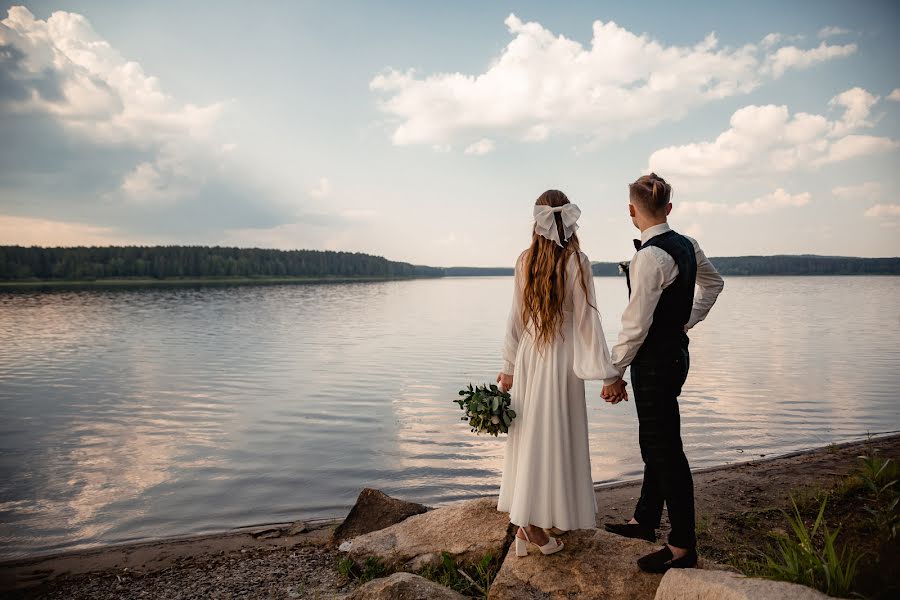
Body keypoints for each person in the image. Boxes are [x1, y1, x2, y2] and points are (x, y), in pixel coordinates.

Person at [601, 173, 724, 573]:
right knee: (657, 442)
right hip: (676, 357)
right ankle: (645, 520)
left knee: (665, 450)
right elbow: (714, 284)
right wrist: (686, 322)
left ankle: (683, 546)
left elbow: (634, 326)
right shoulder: (687, 244)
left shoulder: (649, 258)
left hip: (654, 363)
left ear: (631, 211)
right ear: (668, 208)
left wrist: (611, 373)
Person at [496, 189, 625, 558]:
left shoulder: (525, 260)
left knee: (533, 435)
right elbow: (588, 321)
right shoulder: (577, 260)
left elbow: (515, 318)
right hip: (561, 358)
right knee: (554, 435)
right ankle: (533, 525)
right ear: (568, 220)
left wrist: (508, 367)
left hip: (530, 355)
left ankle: (530, 523)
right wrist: (608, 373)